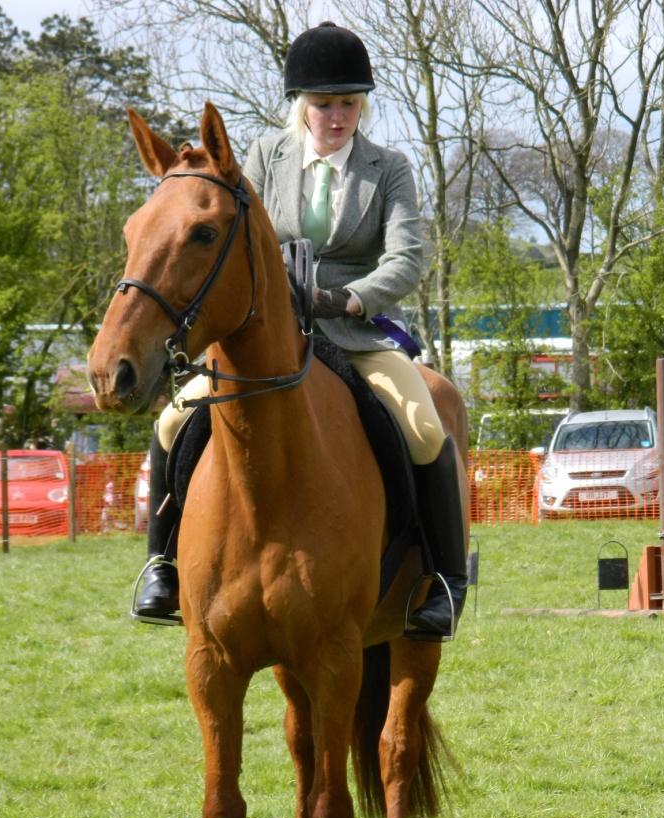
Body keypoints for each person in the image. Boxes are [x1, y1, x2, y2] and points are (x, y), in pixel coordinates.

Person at [133, 21, 467, 639]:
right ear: (301, 106)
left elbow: (406, 259)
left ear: (361, 103)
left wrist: (349, 298)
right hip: (271, 338)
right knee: (173, 419)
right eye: (323, 104)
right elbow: (242, 242)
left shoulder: (389, 167)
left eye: (348, 102)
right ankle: (161, 564)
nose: (336, 116)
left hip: (356, 334)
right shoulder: (262, 157)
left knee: (424, 426)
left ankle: (445, 581)